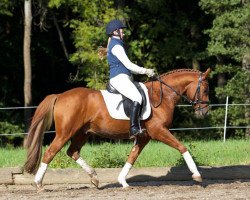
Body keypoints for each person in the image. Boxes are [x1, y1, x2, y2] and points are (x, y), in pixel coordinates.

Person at [105, 19, 155, 139]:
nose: (124, 32)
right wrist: (146, 71)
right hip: (119, 78)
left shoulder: (117, 44)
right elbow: (129, 65)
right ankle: (133, 128)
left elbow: (128, 67)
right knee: (137, 97)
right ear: (115, 32)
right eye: (122, 30)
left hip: (123, 77)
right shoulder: (116, 46)